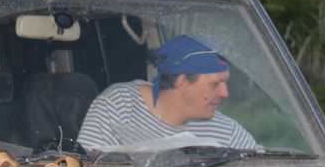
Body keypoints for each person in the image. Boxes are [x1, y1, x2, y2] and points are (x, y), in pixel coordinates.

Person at [77, 35, 257, 151]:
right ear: (182, 82)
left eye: (225, 83)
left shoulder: (227, 132)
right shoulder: (120, 106)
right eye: (215, 84)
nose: (225, 93)